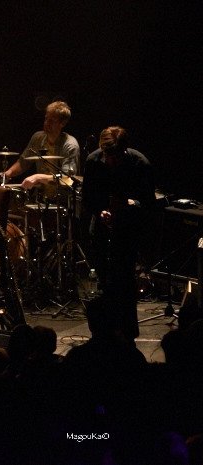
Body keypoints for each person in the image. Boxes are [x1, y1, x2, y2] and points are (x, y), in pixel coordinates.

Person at [80, 126, 156, 341]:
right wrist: (100, 211)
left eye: (116, 157)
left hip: (128, 227)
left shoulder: (140, 164)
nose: (111, 161)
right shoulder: (94, 161)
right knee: (104, 280)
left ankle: (127, 332)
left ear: (124, 150)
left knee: (124, 280)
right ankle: (107, 332)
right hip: (102, 226)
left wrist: (130, 204)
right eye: (107, 156)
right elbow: (87, 199)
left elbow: (149, 204)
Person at [1, 100, 80, 192]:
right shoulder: (37, 138)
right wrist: (8, 173)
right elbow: (23, 162)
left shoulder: (70, 145)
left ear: (62, 123)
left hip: (63, 198)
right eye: (46, 118)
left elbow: (67, 178)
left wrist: (38, 177)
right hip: (42, 196)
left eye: (51, 121)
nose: (46, 123)